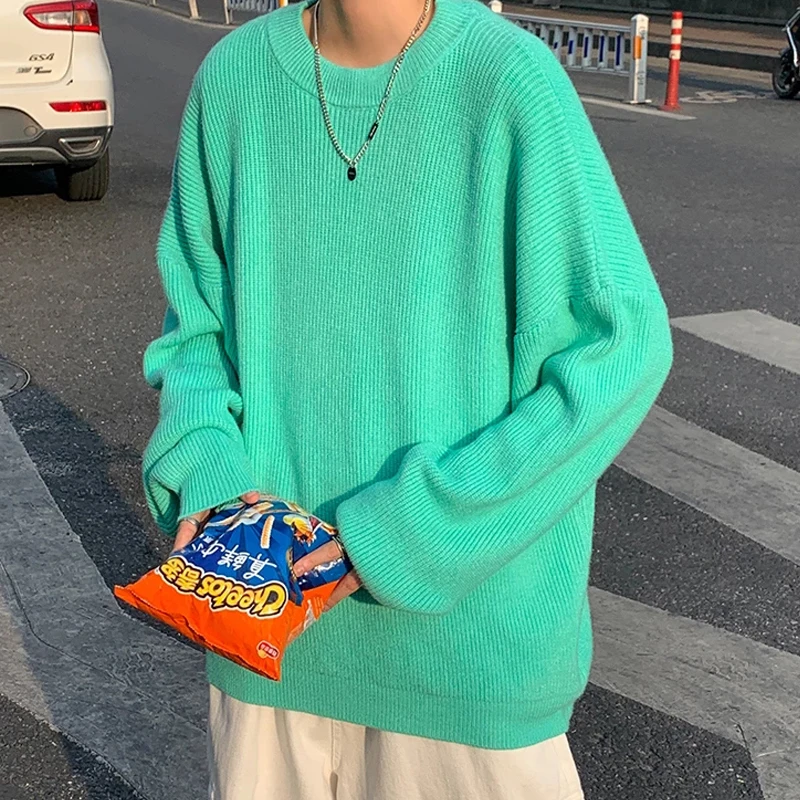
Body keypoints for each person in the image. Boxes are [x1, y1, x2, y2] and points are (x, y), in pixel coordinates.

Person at [141, 0, 673, 797]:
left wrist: (411, 531)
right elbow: (196, 330)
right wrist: (209, 474)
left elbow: (620, 348)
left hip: (465, 664)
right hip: (265, 639)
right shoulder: (234, 80)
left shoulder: (508, 80)